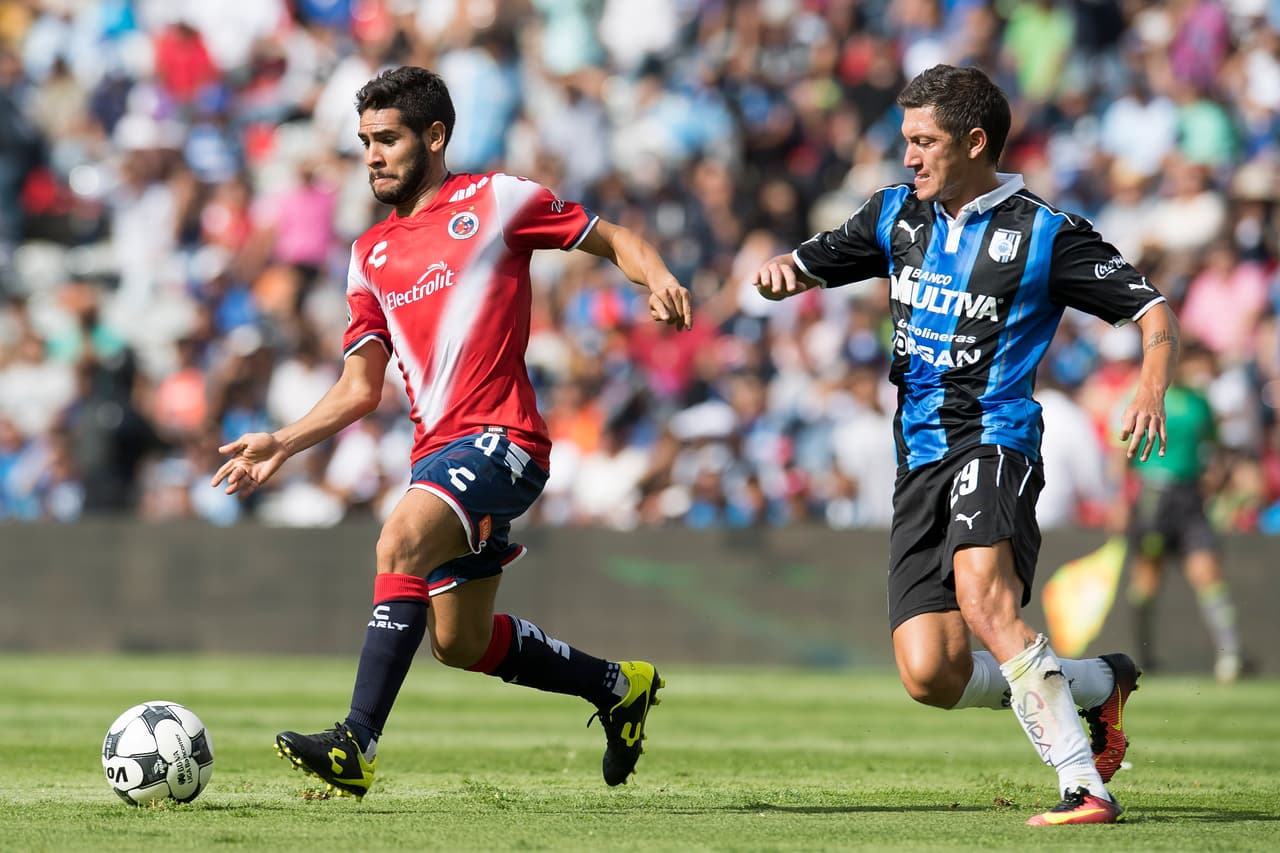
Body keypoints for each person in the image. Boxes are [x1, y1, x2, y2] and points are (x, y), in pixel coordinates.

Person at [212, 66, 692, 798]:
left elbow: (611, 235)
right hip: (439, 454)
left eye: (388, 138)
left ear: (434, 136)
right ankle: (618, 686)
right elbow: (359, 387)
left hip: (504, 441)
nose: (372, 154)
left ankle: (357, 742)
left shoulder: (497, 200)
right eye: (365, 140)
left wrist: (654, 275)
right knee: (461, 641)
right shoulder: (368, 254)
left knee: (398, 540)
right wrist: (283, 440)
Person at [753, 64, 1179, 826]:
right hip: (917, 457)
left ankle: (1085, 785)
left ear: (975, 142)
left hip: (996, 438)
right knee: (932, 673)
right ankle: (1096, 683)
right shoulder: (893, 215)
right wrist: (785, 273)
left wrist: (1150, 385)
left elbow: (1152, 311)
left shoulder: (1046, 233)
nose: (909, 156)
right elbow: (808, 261)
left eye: (925, 142)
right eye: (906, 140)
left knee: (987, 599)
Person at [1118, 341, 1242, 683]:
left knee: (1208, 573)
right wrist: (1119, 500)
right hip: (1154, 499)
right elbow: (1122, 450)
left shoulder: (1204, 403)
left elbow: (1215, 449)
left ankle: (1230, 655)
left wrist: (1216, 479)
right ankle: (1143, 656)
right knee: (1147, 580)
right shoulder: (1149, 397)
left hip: (1189, 499)